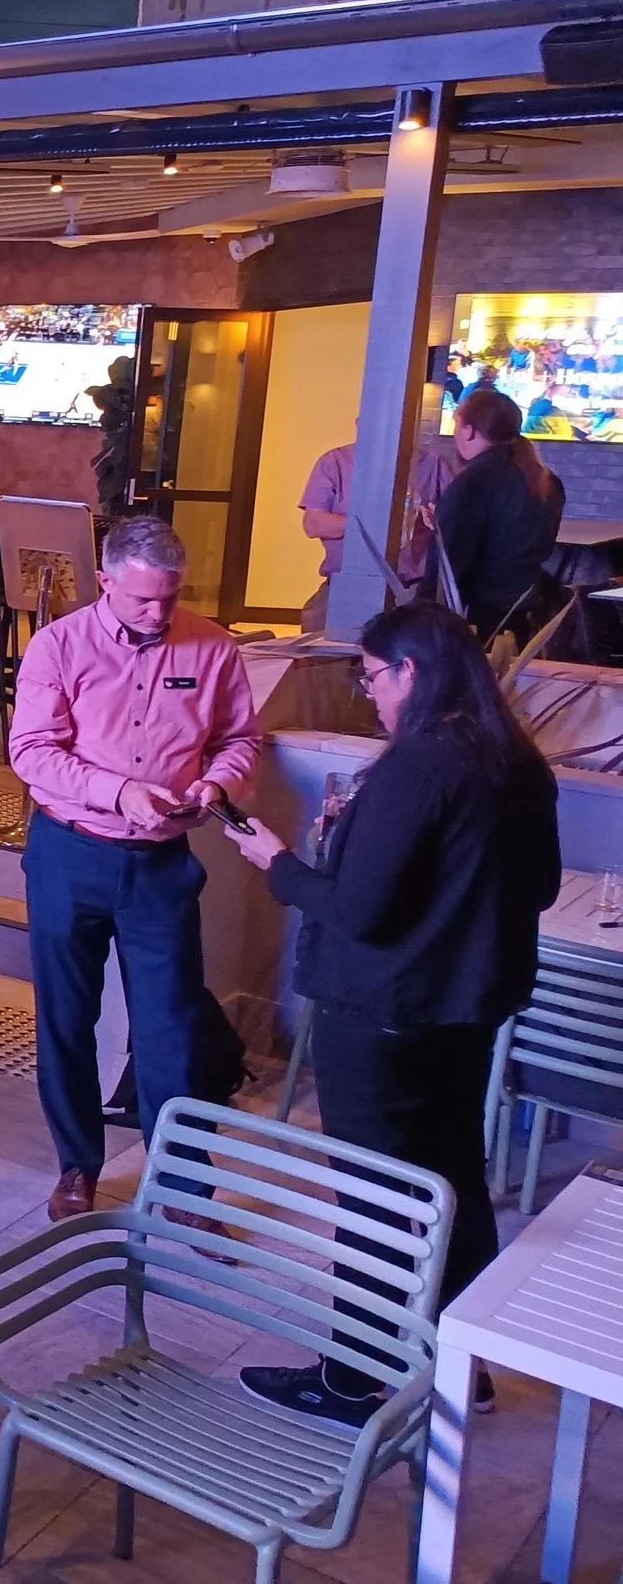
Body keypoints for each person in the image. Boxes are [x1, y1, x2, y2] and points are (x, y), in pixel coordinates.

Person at [223, 601, 559, 1426]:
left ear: (412, 670)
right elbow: (541, 887)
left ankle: (352, 1381)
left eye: (373, 676)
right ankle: (459, 1365)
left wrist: (279, 863)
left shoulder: (418, 765)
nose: (370, 694)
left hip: (381, 1015)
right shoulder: (516, 758)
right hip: (465, 1012)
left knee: (376, 1198)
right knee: (453, 1184)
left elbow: (363, 911)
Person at [8, 516, 260, 1223]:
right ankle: (77, 1167)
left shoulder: (212, 647)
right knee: (66, 1017)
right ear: (105, 581)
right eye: (143, 599)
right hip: (69, 849)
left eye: (169, 599)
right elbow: (31, 750)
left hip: (162, 864)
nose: (158, 613)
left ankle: (181, 1181)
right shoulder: (58, 646)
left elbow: (239, 740)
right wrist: (119, 791)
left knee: (171, 1023)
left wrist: (218, 785)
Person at [433, 384, 565, 641]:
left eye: (456, 424)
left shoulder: (474, 482)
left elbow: (449, 564)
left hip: (474, 625)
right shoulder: (547, 480)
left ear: (468, 430)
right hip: (523, 619)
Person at [298, 428, 456, 630]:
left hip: (409, 590)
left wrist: (433, 521)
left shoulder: (434, 464)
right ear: (359, 424)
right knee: (316, 633)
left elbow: (455, 525)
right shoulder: (334, 462)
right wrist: (371, 523)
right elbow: (312, 524)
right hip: (345, 584)